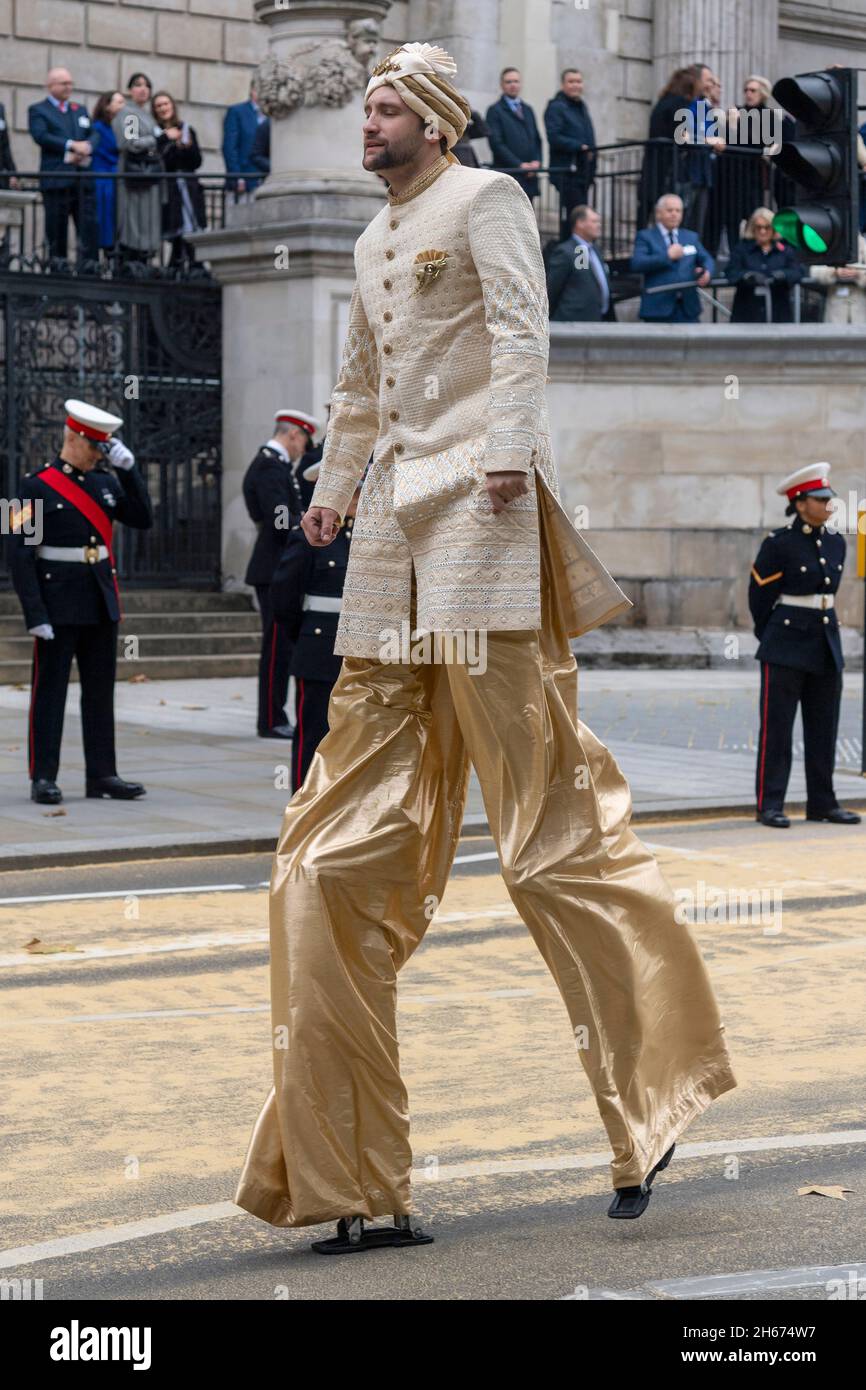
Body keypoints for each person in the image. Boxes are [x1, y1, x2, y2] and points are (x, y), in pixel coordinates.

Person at [233, 39, 736, 1255]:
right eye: (362, 105)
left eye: (386, 104)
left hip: (485, 534)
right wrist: (333, 493)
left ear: (440, 120)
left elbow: (521, 333)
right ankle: (349, 1174)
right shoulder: (366, 241)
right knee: (323, 862)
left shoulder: (488, 198)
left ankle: (650, 1100)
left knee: (548, 843)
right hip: (390, 565)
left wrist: (508, 447)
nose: (367, 121)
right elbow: (358, 388)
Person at [9, 400, 153, 805]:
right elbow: (19, 554)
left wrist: (130, 470)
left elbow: (143, 518)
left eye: (103, 448)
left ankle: (103, 775)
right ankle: (43, 777)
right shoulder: (32, 486)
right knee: (49, 693)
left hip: (98, 602)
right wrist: (34, 613)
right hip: (56, 606)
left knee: (100, 692)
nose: (97, 454)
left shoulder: (106, 483)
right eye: (93, 446)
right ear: (72, 438)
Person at [749, 464, 860, 829]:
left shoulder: (835, 541)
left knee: (823, 728)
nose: (829, 504)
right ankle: (770, 804)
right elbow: (759, 598)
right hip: (784, 645)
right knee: (777, 729)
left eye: (829, 498)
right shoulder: (778, 543)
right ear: (800, 504)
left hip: (825, 641)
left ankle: (822, 803)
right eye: (821, 499)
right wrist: (771, 637)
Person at [271, 462, 365, 792]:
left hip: (361, 654)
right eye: (353, 492)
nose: (358, 498)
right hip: (319, 651)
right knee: (313, 737)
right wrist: (307, 638)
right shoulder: (310, 538)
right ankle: (303, 808)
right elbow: (284, 600)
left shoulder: (370, 538)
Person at [242, 409, 320, 740]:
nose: (303, 449)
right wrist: (302, 526)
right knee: (276, 648)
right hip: (273, 567)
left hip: (274, 566)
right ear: (292, 435)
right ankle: (271, 718)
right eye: (302, 441)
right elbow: (277, 521)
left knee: (280, 647)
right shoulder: (269, 466)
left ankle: (274, 714)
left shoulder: (274, 466)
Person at [28, 68, 98, 267]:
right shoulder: (39, 110)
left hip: (82, 180)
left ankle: (89, 274)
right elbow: (41, 135)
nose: (68, 87)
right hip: (57, 181)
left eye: (70, 83)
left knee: (88, 230)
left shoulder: (80, 110)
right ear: (51, 86)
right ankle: (59, 273)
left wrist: (87, 146)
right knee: (57, 231)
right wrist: (70, 145)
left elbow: (93, 133)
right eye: (63, 83)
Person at [112, 73, 167, 270]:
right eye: (137, 85)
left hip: (148, 177)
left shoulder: (148, 115)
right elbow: (129, 143)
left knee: (146, 223)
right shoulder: (129, 113)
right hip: (134, 177)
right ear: (130, 90)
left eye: (147, 85)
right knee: (134, 224)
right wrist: (157, 139)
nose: (143, 89)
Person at [631, 192, 714, 323]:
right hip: (658, 308)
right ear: (658, 213)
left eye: (678, 211)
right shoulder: (646, 236)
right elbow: (637, 263)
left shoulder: (690, 237)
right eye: (670, 210)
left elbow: (706, 259)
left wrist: (707, 271)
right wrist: (667, 256)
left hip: (687, 308)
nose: (674, 214)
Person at [638, 67, 699, 227]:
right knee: (671, 209)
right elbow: (683, 136)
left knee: (648, 208)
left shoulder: (662, 103)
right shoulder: (681, 104)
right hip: (669, 165)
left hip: (653, 162)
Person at [152, 91, 206, 269]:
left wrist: (186, 148)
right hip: (170, 187)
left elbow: (197, 161)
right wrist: (169, 141)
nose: (163, 108)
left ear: (172, 106)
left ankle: (192, 265)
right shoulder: (155, 133)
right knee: (175, 229)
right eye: (158, 105)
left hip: (189, 185)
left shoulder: (186, 129)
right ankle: (176, 266)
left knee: (192, 226)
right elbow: (159, 161)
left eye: (166, 104)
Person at [725, 207, 806, 323]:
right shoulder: (742, 249)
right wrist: (747, 276)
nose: (763, 231)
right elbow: (731, 272)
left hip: (778, 311)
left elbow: (798, 271)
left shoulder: (784, 250)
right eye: (759, 227)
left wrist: (783, 275)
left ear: (773, 229)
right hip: (748, 312)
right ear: (753, 229)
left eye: (767, 227)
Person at [545, 69, 597, 242]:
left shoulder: (581, 106)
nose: (576, 85)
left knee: (580, 215)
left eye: (579, 81)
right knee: (575, 218)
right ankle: (574, 257)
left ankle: (579, 257)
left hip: (583, 172)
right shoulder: (556, 106)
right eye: (571, 81)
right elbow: (554, 136)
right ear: (563, 85)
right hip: (567, 172)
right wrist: (579, 147)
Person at [546, 204, 614, 321]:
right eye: (594, 221)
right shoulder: (566, 251)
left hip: (598, 319)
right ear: (580, 223)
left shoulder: (595, 250)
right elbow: (552, 289)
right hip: (572, 322)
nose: (599, 225)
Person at [485, 68, 542, 200]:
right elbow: (496, 144)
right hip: (509, 175)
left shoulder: (528, 110)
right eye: (508, 81)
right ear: (502, 85)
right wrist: (520, 165)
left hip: (529, 177)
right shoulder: (495, 111)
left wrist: (536, 162)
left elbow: (537, 139)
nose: (513, 85)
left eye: (516, 81)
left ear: (520, 84)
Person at [90, 91, 124, 259]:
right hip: (104, 180)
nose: (123, 106)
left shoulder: (128, 122)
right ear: (107, 105)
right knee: (105, 223)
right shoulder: (98, 127)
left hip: (119, 179)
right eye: (119, 102)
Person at [222, 82, 267, 200]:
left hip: (266, 182)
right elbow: (230, 148)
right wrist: (237, 177)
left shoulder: (272, 115)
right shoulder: (237, 112)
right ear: (252, 90)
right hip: (244, 183)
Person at [810, 232, 866, 324]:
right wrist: (834, 272)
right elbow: (814, 271)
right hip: (835, 306)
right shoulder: (830, 241)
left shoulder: (863, 243)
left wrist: (858, 274)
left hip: (859, 305)